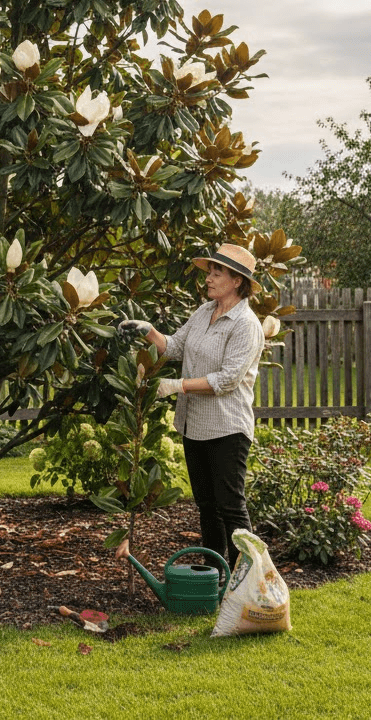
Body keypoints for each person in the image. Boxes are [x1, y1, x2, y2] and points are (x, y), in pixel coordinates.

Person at [118, 243, 265, 574]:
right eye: (209, 271)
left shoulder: (246, 324)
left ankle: (249, 579)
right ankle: (214, 575)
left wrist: (177, 386)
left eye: (217, 273)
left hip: (228, 428)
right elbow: (174, 347)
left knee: (230, 506)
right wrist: (147, 330)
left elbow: (227, 379)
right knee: (207, 507)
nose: (209, 278)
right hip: (195, 425)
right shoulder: (204, 312)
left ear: (237, 281)